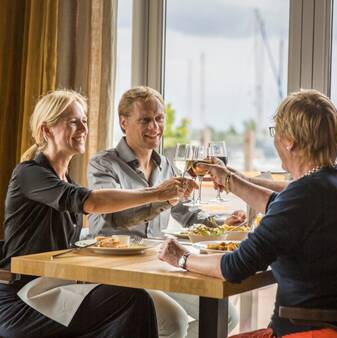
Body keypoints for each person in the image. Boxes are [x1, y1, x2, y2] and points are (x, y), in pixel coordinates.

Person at [159, 89, 337, 337]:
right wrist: (229, 179)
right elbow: (282, 206)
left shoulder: (304, 196)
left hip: (312, 333)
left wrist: (179, 257)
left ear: (290, 141)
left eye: (276, 131)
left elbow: (234, 267)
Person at [0, 90, 196, 338]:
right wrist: (156, 193)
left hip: (58, 285)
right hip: (23, 295)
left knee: (145, 305)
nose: (83, 128)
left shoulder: (64, 179)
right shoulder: (29, 174)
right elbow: (91, 201)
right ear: (46, 130)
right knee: (133, 300)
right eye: (73, 121)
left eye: (84, 121)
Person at [87, 86, 240, 338]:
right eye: (145, 120)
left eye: (159, 119)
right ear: (123, 123)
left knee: (227, 316)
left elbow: (186, 214)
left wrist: (223, 223)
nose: (154, 127)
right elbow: (116, 217)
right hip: (116, 270)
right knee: (174, 322)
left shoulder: (164, 164)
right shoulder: (104, 163)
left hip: (153, 264)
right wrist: (161, 198)